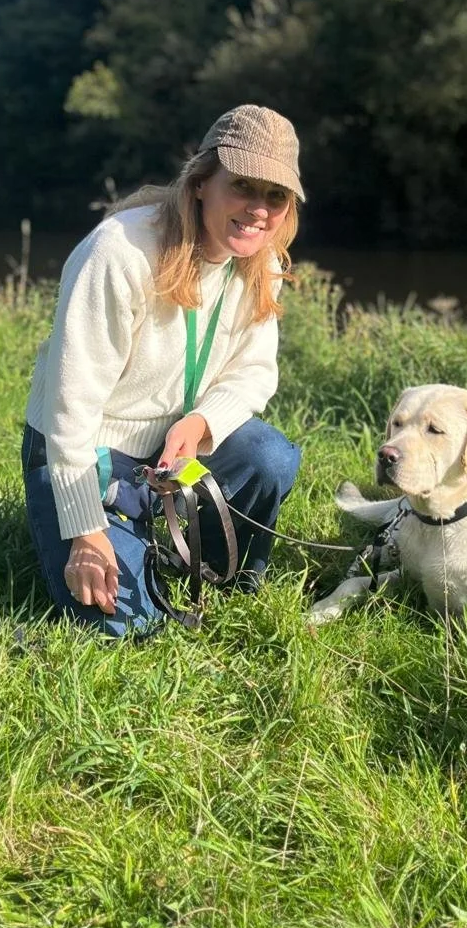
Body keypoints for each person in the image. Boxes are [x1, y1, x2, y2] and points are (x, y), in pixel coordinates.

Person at [21, 104, 303, 636]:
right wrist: (84, 530)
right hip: (85, 450)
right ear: (201, 181)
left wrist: (200, 423)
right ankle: (94, 523)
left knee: (269, 456)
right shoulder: (120, 250)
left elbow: (254, 373)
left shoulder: (261, 262)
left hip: (172, 451)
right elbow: (70, 403)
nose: (259, 210)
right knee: (125, 625)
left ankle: (217, 569)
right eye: (243, 185)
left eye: (276, 196)